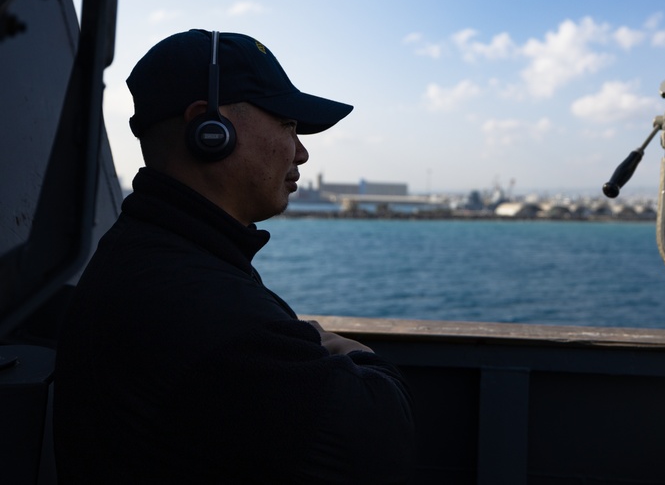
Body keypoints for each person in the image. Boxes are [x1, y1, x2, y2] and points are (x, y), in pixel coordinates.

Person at [53, 29, 415, 484]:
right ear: (210, 129)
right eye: (288, 125)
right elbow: (381, 441)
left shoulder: (147, 254)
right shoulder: (203, 306)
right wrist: (342, 347)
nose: (301, 150)